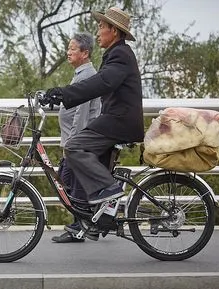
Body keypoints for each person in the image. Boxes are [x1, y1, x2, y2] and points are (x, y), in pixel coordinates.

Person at [42, 7, 144, 228]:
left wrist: (64, 93)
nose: (97, 32)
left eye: (101, 27)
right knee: (87, 160)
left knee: (74, 146)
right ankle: (97, 219)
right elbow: (100, 84)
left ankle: (111, 192)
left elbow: (102, 83)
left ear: (114, 31)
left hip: (120, 121)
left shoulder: (121, 55)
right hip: (116, 119)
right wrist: (61, 95)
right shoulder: (116, 54)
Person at [51, 32, 101, 243]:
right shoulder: (81, 74)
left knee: (70, 182)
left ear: (85, 53)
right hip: (78, 141)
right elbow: (72, 106)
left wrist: (71, 145)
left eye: (73, 49)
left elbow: (81, 116)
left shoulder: (86, 76)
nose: (68, 52)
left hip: (79, 142)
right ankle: (90, 222)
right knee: (69, 181)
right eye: (68, 48)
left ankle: (79, 227)